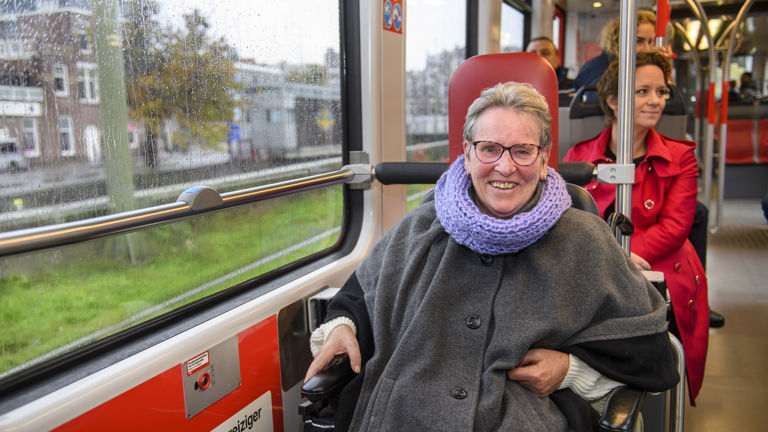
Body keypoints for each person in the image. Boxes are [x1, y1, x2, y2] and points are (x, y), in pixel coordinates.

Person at [305, 82, 678, 431]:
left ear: (544, 159)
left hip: (522, 417)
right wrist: (342, 327)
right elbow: (362, 296)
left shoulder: (584, 239)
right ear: (467, 155)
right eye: (489, 149)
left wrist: (570, 369)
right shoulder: (421, 226)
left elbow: (651, 350)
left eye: (522, 150)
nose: (505, 166)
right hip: (405, 413)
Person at [564, 51, 708, 404]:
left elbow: (675, 227)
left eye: (661, 92)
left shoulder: (681, 158)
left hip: (661, 267)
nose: (656, 101)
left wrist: (626, 256)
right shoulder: (580, 159)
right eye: (643, 91)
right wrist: (614, 259)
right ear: (613, 101)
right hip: (595, 267)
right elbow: (568, 222)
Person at [573, 10, 657, 93]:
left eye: (650, 42)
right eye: (639, 41)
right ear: (618, 40)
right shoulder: (605, 75)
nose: (647, 49)